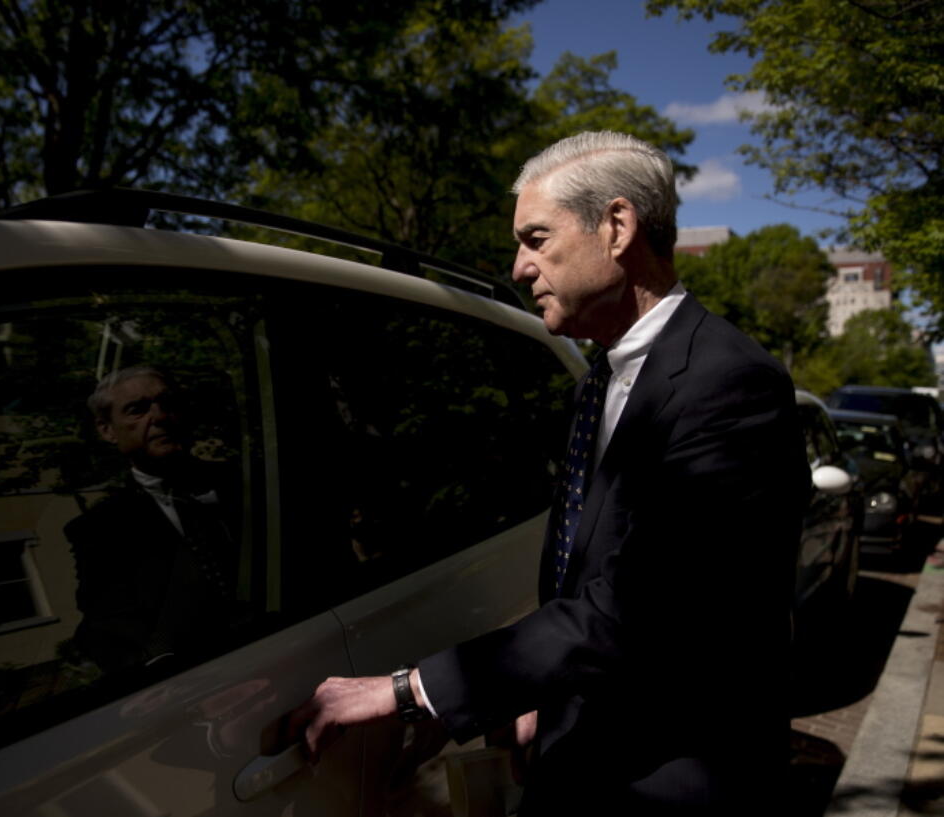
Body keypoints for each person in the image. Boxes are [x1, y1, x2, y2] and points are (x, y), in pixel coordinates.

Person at [294, 131, 808, 814]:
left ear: (617, 226)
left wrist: (409, 690)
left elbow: (638, 610)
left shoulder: (729, 383)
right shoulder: (599, 381)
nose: (518, 266)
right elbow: (592, 575)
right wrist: (537, 698)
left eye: (535, 238)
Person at [66, 366, 245, 674]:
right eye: (138, 410)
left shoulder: (250, 482)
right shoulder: (99, 531)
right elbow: (109, 627)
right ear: (107, 430)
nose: (160, 417)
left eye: (169, 404)